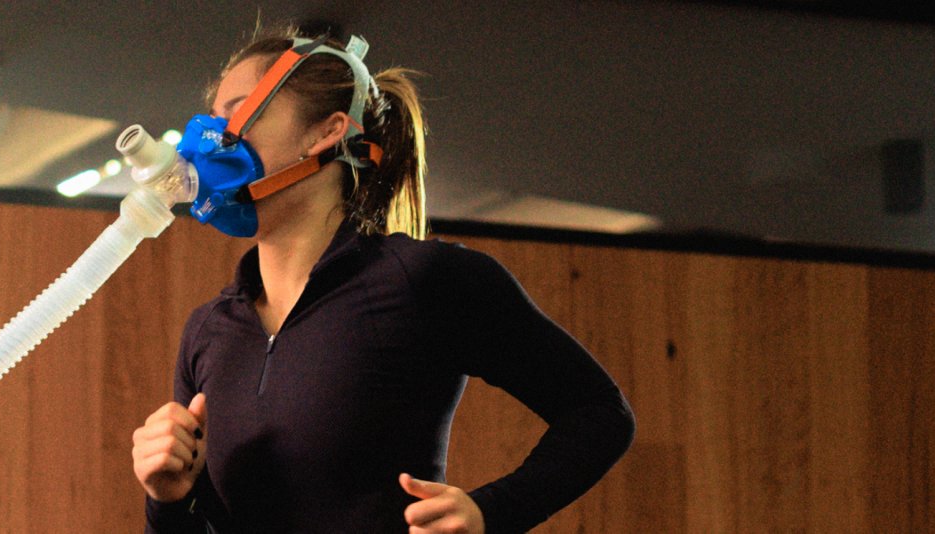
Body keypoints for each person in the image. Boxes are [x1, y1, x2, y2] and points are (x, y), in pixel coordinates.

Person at [131, 26, 635, 533]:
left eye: (234, 112)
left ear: (327, 132)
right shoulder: (209, 331)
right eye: (212, 116)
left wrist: (491, 513)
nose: (207, 136)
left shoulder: (419, 280)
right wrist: (168, 498)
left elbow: (598, 412)